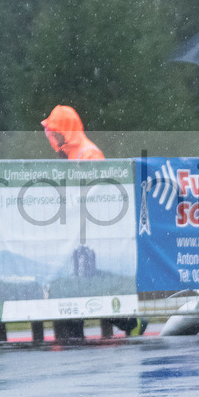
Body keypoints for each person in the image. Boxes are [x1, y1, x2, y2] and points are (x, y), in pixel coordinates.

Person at [41, 104, 147, 340]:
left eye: (55, 130)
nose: (52, 135)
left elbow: (98, 195)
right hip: (76, 232)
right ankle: (76, 333)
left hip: (90, 232)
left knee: (90, 286)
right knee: (76, 286)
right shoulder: (68, 155)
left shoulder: (88, 153)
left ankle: (131, 321)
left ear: (65, 130)